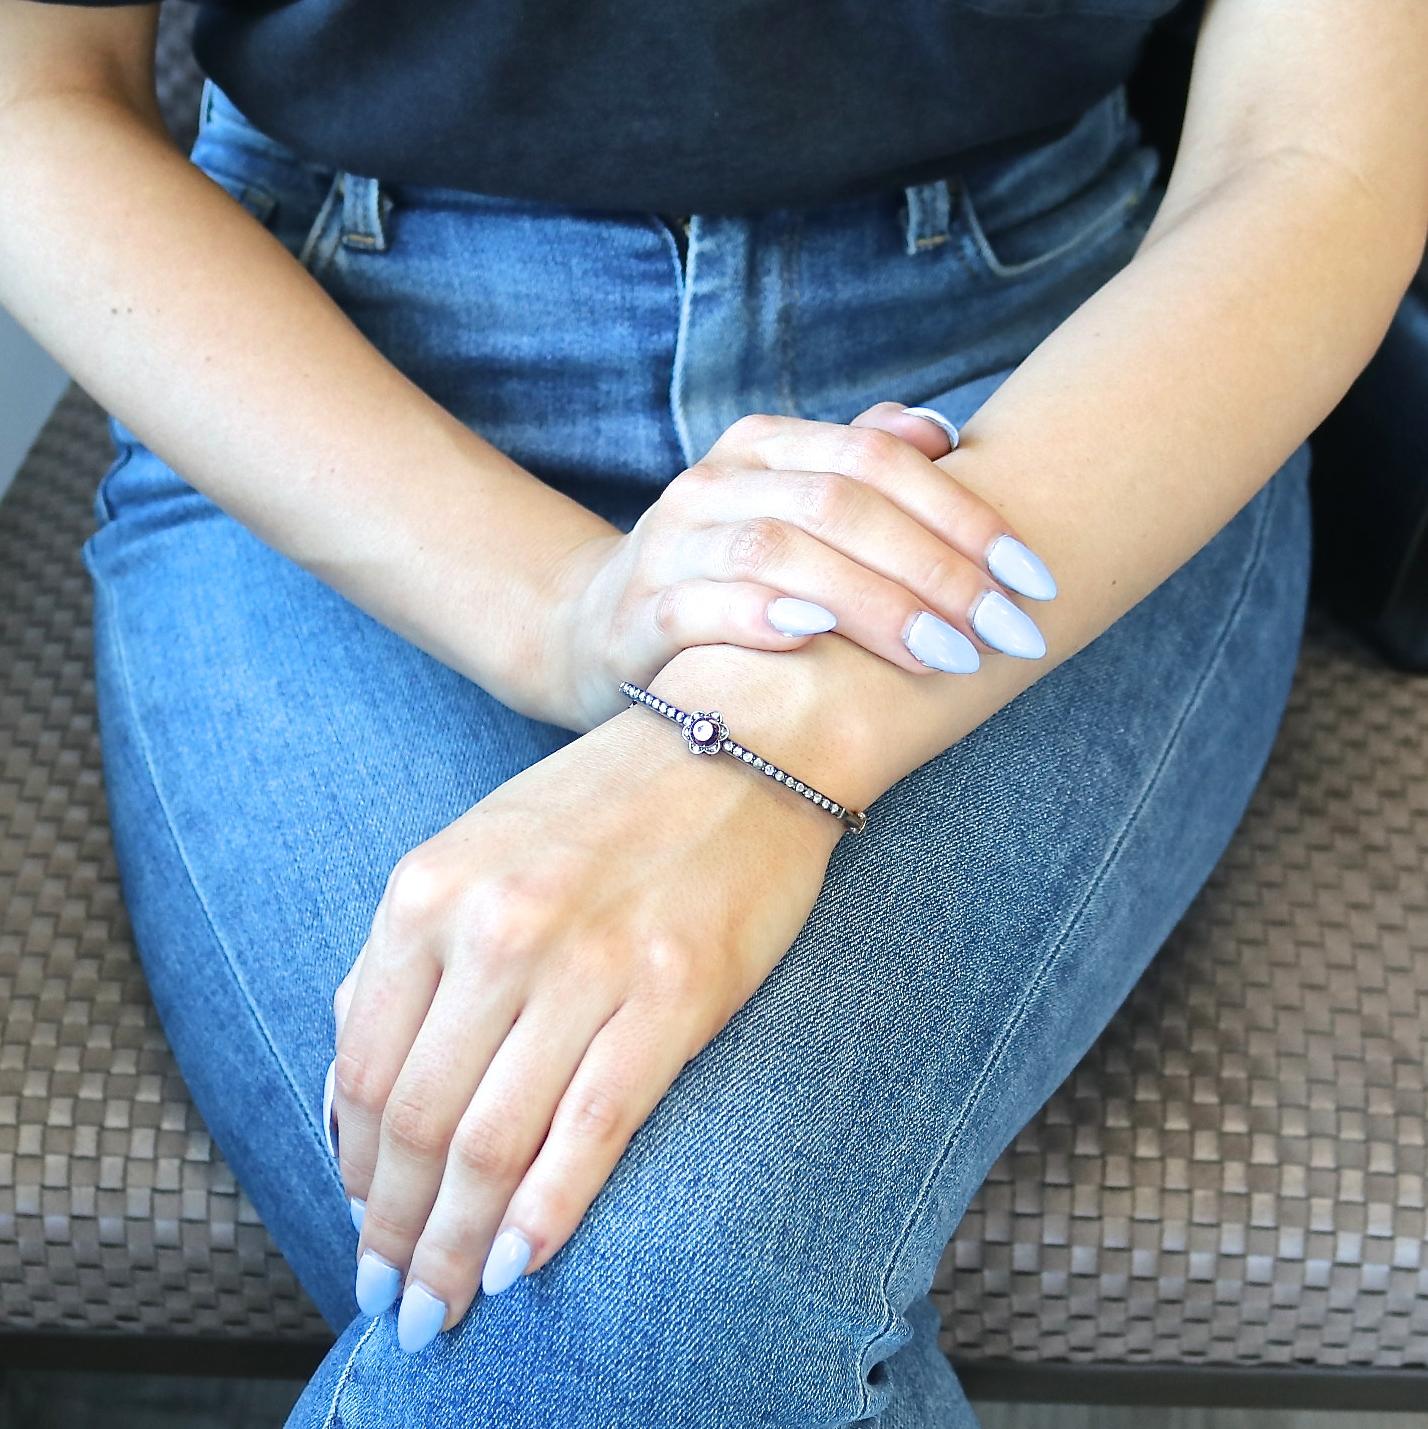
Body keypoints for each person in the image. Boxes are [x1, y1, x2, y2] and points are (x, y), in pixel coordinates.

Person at [2, 1, 1425, 1424]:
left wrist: (766, 742)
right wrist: (562, 606)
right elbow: (32, 90)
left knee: (610, 1308)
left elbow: (1311, 144)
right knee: (568, 1296)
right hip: (324, 377)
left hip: (1057, 400)